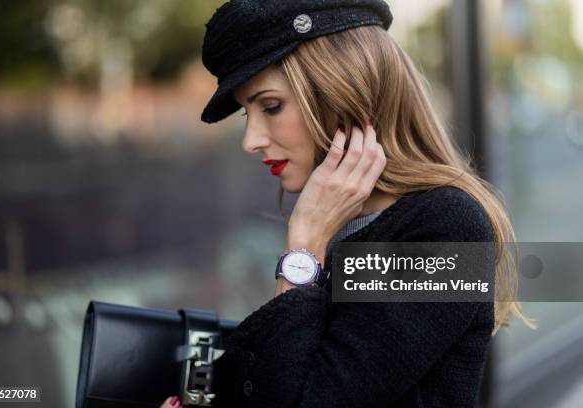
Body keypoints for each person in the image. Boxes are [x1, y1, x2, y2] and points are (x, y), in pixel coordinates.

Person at [161, 1, 532, 407]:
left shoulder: (447, 230)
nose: (251, 140)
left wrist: (303, 249)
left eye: (270, 107)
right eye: (248, 113)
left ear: (342, 92)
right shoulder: (341, 221)